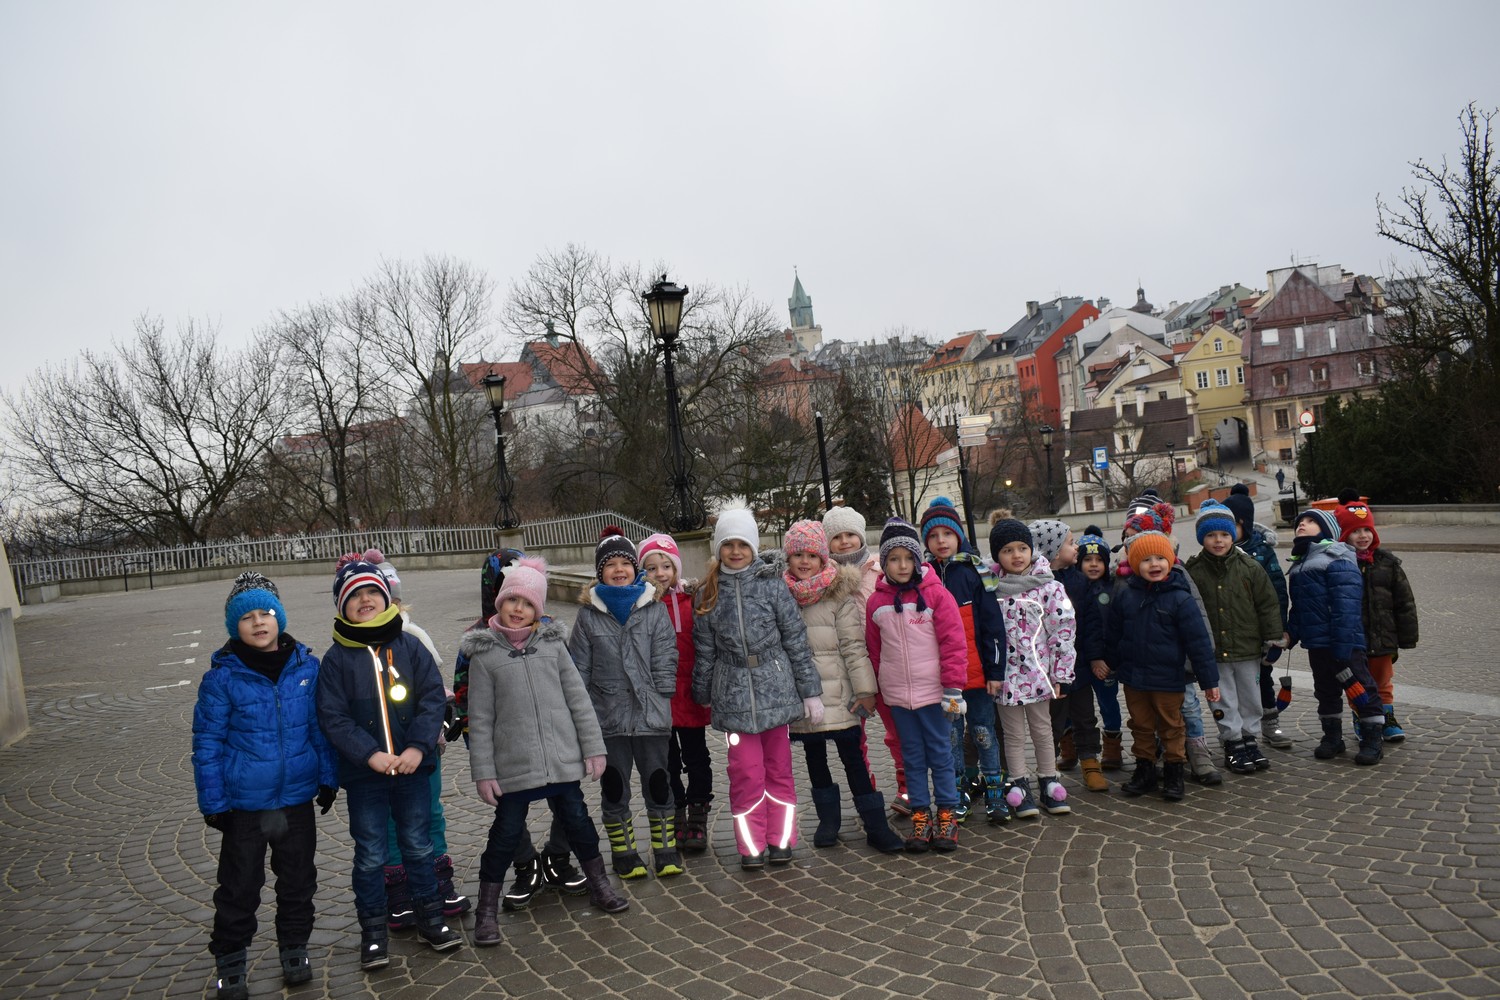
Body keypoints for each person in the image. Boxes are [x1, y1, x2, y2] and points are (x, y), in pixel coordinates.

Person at [466, 557, 629, 946]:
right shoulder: (484, 655)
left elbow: (578, 701)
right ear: (500, 602)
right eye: (512, 600)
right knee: (504, 835)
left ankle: (599, 884)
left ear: (538, 609)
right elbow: (481, 719)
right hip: (514, 766)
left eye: (527, 603)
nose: (518, 609)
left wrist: (593, 749)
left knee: (578, 822)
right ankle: (486, 911)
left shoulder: (553, 646)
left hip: (560, 761)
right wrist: (484, 772)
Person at [193, 573, 338, 1000]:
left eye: (266, 613)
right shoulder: (222, 678)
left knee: (298, 879)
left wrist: (327, 776)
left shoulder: (306, 667)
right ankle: (230, 959)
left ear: (280, 618)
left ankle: (294, 946)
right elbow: (207, 743)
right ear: (234, 626)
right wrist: (214, 801)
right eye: (247, 617)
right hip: (245, 804)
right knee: (239, 885)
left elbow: (319, 728)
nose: (258, 622)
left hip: (296, 798)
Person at [316, 557, 461, 970]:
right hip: (366, 776)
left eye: (372, 593)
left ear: (386, 598)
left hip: (413, 770)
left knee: (418, 845)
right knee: (370, 854)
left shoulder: (410, 646)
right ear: (342, 606)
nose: (365, 600)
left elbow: (432, 699)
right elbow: (333, 717)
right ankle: (374, 934)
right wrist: (370, 754)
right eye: (355, 596)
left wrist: (417, 748)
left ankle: (431, 918)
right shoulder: (336, 659)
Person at [452, 548, 587, 912]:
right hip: (502, 739)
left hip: (554, 736)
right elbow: (465, 692)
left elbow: (571, 681)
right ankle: (526, 863)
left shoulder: (549, 630)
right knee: (510, 813)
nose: (517, 606)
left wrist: (579, 733)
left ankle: (558, 856)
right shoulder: (476, 638)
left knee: (568, 802)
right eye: (507, 591)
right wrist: (474, 739)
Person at [693, 507, 823, 870]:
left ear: (753, 547)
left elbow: (795, 639)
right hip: (733, 697)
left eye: (742, 544)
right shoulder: (707, 592)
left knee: (778, 769)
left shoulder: (772, 585)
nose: (735, 551)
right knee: (745, 773)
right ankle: (751, 844)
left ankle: (781, 839)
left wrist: (809, 691)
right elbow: (705, 650)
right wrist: (703, 693)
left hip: (776, 691)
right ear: (718, 548)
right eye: (728, 544)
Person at [358, 550, 469, 930]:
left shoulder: (413, 638)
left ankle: (439, 880)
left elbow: (433, 688)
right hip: (379, 756)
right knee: (389, 821)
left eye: (381, 597)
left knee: (429, 814)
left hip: (421, 750)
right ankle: (398, 889)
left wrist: (440, 717)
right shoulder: (351, 650)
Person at [780, 520, 905, 853]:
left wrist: (865, 691)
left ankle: (875, 825)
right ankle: (828, 821)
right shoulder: (782, 596)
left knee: (853, 758)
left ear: (823, 558)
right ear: (788, 559)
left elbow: (853, 647)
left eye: (812, 555)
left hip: (841, 693)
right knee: (815, 759)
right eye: (798, 555)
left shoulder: (839, 594)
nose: (805, 562)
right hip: (805, 696)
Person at [569, 527, 681, 879]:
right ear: (599, 572)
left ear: (636, 568)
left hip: (650, 714)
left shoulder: (653, 608)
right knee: (615, 787)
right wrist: (583, 712)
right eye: (610, 564)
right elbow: (579, 669)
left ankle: (665, 848)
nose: (619, 570)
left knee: (659, 782)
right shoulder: (588, 615)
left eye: (625, 563)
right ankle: (624, 853)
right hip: (609, 718)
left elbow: (666, 654)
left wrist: (661, 693)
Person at [865, 518, 969, 851]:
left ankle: (947, 814)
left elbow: (954, 643)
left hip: (935, 694)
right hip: (898, 697)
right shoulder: (876, 603)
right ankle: (920, 815)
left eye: (908, 558)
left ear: (917, 560)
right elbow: (874, 652)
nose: (902, 565)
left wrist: (953, 688)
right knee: (911, 757)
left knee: (941, 754)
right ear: (884, 562)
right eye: (894, 559)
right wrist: (880, 692)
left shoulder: (936, 594)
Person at [1106, 530, 1222, 802]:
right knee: (1141, 725)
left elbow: (1198, 642)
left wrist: (1209, 681)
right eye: (1146, 560)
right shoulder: (1125, 594)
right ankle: (1145, 769)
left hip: (1169, 678)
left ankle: (1174, 771)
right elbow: (1113, 634)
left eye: (1160, 558)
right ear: (1135, 564)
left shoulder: (1180, 598)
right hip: (1134, 677)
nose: (1154, 564)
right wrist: (1109, 663)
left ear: (1170, 561)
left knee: (1172, 726)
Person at [919, 498, 1008, 822]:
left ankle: (995, 791)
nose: (941, 541)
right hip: (945, 681)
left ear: (959, 535)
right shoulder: (923, 577)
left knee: (983, 732)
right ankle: (958, 792)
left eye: (947, 533)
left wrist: (995, 671)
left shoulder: (975, 573)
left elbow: (993, 627)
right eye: (933, 536)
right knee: (951, 738)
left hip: (977, 676)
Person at [1184, 501, 1285, 775]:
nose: (1218, 541)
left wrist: (1273, 638)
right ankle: (1232, 741)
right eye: (1211, 535)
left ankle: (1250, 739)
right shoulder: (1194, 571)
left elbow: (1267, 604)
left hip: (1247, 647)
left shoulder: (1249, 567)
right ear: (1201, 538)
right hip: (1215, 652)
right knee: (1222, 699)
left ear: (1233, 536)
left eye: (1224, 534)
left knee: (1251, 697)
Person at [823, 504, 909, 817]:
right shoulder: (825, 578)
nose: (844, 541)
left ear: (861, 536)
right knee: (854, 737)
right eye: (837, 537)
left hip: (884, 664)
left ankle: (906, 787)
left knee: (897, 731)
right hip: (848, 670)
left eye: (850, 534)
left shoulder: (880, 571)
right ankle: (866, 791)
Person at [988, 519, 1077, 818]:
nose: (1016, 555)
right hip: (1006, 678)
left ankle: (1049, 780)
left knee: (1042, 729)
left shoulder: (1049, 587)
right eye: (1007, 550)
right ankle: (1018, 784)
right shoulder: (991, 590)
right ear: (997, 555)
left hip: (1039, 676)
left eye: (1022, 548)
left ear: (1032, 550)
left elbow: (1063, 631)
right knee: (1013, 734)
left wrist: (1061, 674)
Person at [1286, 509, 1387, 765]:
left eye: (1311, 522)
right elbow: (1299, 609)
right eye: (1300, 522)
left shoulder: (1337, 557)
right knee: (1325, 690)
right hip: (1317, 644)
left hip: (1344, 643)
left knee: (1360, 687)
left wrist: (1342, 648)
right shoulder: (1299, 564)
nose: (1302, 525)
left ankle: (1372, 739)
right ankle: (1332, 737)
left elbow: (1346, 607)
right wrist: (1289, 636)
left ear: (1327, 530)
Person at [639, 532, 715, 852]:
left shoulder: (693, 601)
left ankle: (698, 812)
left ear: (676, 568)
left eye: (666, 566)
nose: (660, 573)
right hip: (660, 696)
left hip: (690, 693)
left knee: (696, 757)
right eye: (652, 568)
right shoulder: (642, 606)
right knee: (667, 761)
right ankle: (676, 812)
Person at [1029, 519, 1109, 793]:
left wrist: (1095, 657)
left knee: (1085, 716)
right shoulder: (1037, 584)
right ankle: (1047, 768)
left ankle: (1090, 761)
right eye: (1071, 543)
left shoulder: (1079, 581)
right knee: (1052, 721)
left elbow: (1091, 624)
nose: (1077, 548)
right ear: (1052, 550)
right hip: (1048, 671)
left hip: (1079, 665)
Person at [1334, 501, 1419, 742]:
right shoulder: (1340, 563)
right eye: (1355, 531)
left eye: (1367, 530)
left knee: (1383, 680)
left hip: (1383, 635)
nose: (1363, 536)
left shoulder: (1388, 563)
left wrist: (1406, 636)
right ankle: (1360, 717)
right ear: (1344, 535)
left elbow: (1404, 602)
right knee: (1357, 680)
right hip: (1355, 637)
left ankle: (1387, 717)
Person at [1221, 493, 1294, 751]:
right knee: (1231, 685)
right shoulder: (1218, 551)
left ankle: (1270, 725)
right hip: (1231, 632)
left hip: (1258, 632)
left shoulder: (1262, 552)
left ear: (1243, 523)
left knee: (1262, 679)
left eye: (1231, 526)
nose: (1224, 534)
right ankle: (1235, 731)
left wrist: (1278, 630)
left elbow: (1277, 593)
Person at [1076, 528, 1124, 771]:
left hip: (1107, 661)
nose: (1094, 565)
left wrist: (1109, 659)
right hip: (1080, 662)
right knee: (1076, 709)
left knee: (1108, 704)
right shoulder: (1073, 587)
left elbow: (1117, 627)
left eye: (1099, 560)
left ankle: (1113, 747)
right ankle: (1070, 747)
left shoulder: (1113, 589)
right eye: (1087, 559)